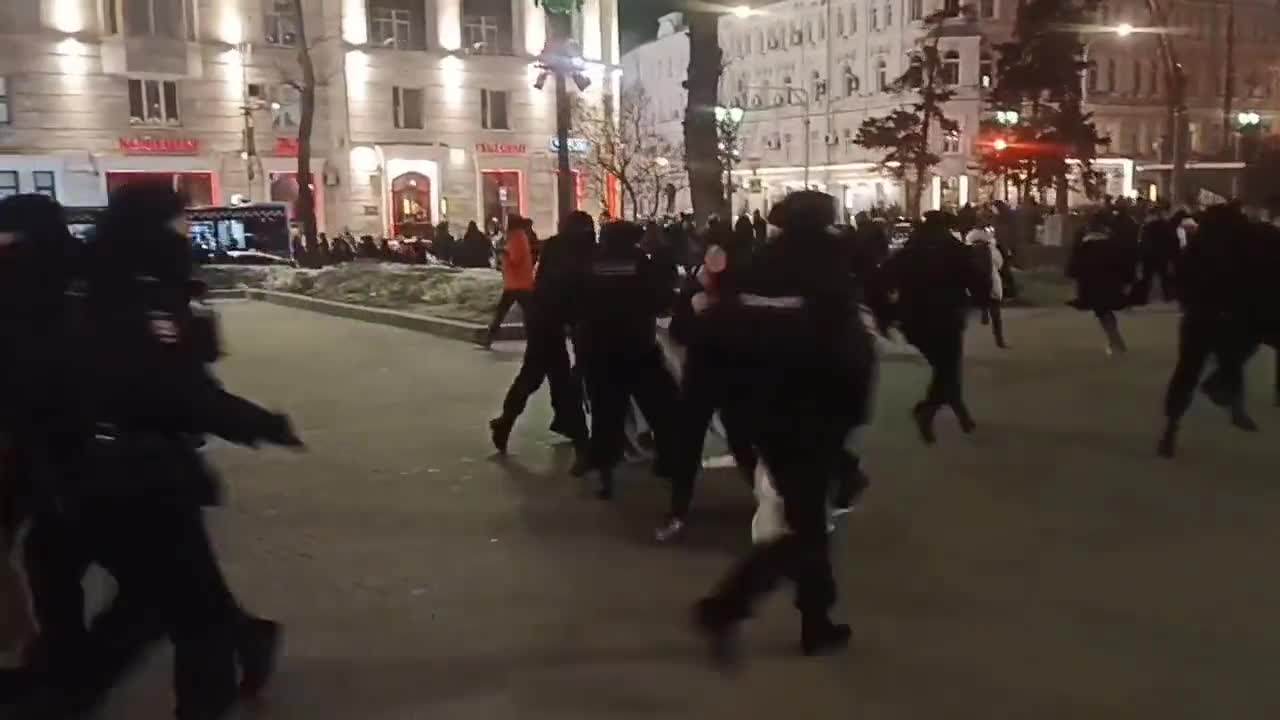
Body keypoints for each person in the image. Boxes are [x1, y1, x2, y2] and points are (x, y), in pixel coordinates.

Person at [28, 184, 304, 720]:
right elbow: (172, 388)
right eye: (179, 220)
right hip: (139, 477)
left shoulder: (93, 282)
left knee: (161, 606)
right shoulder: (138, 292)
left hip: (96, 473)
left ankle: (68, 694)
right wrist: (258, 422)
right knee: (184, 617)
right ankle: (66, 698)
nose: (187, 230)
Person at [693, 191, 875, 663]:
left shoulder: (754, 266)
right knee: (809, 524)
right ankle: (727, 604)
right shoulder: (828, 271)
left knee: (809, 516)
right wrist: (853, 415)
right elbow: (850, 350)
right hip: (813, 415)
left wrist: (721, 401)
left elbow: (714, 335)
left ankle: (815, 620)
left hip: (761, 416)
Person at [574, 221, 678, 499]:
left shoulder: (591, 264)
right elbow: (660, 300)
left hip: (598, 350)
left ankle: (605, 475)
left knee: (606, 414)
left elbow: (576, 303)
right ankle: (670, 462)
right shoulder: (641, 264)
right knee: (661, 407)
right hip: (636, 348)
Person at [490, 211, 593, 476]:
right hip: (549, 319)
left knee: (536, 375)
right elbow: (573, 287)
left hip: (544, 317)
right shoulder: (577, 251)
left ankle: (506, 421)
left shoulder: (556, 247)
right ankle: (581, 443)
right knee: (554, 379)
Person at [1158, 204, 1261, 457]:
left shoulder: (1194, 250)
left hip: (1197, 318)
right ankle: (1230, 400)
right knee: (1235, 358)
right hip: (1228, 318)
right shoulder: (1242, 251)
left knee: (1187, 371)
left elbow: (1179, 280)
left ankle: (1171, 426)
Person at [884, 211, 979, 445]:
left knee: (944, 366)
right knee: (947, 367)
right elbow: (975, 279)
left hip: (913, 319)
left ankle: (959, 411)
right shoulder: (954, 249)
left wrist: (891, 309)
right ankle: (927, 409)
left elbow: (884, 277)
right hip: (946, 316)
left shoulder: (908, 250)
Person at [1067, 212, 1133, 355]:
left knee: (1103, 313)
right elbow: (1123, 264)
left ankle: (1116, 342)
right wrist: (1127, 281)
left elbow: (1074, 267)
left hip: (1091, 285)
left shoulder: (1084, 246)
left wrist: (1075, 283)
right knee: (1105, 312)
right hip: (1111, 284)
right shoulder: (1112, 244)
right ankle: (1115, 342)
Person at [484, 215, 535, 348]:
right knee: (526, 313)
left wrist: (502, 252)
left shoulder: (517, 237)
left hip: (517, 283)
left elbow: (516, 259)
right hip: (518, 282)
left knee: (504, 311)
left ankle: (489, 337)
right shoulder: (517, 236)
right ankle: (489, 337)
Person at [966, 226, 1007, 348]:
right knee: (996, 312)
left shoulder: (968, 250)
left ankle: (983, 313)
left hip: (973, 285)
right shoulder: (991, 249)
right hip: (991, 283)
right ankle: (999, 339)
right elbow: (1000, 264)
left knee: (967, 312)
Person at [1133, 205, 1178, 304]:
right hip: (1162, 255)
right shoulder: (1166, 225)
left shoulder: (1147, 226)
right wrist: (1171, 256)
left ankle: (1142, 298)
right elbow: (1172, 241)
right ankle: (1168, 296)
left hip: (1149, 255)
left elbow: (1142, 242)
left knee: (1146, 278)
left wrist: (1140, 255)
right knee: (1165, 277)